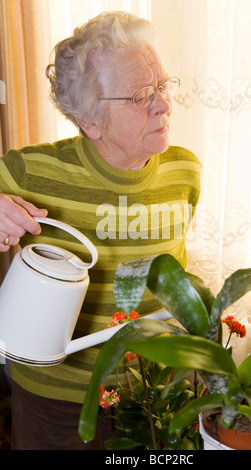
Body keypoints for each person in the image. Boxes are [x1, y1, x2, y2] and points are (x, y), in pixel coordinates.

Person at [0, 11, 201, 449]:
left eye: (163, 86)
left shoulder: (185, 170)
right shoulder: (31, 171)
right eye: (140, 96)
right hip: (59, 400)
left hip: (160, 392)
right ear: (90, 121)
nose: (164, 104)